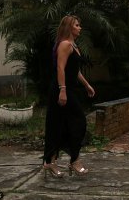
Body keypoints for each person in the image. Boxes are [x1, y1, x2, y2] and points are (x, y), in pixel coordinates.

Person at [42, 15, 95, 177]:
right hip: (61, 90)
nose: (80, 28)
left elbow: (75, 70)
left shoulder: (73, 45)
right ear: (69, 28)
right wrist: (62, 90)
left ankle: (58, 161)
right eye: (77, 25)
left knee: (65, 124)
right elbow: (60, 68)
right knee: (69, 122)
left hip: (69, 89)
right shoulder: (65, 44)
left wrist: (87, 85)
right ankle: (67, 161)